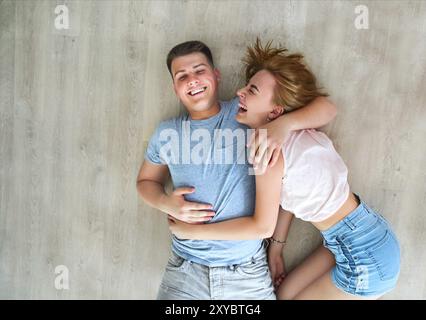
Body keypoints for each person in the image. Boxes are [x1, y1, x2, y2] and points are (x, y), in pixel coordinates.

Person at [169, 39, 400, 299]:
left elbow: (260, 227)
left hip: (362, 257)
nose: (239, 93)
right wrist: (277, 250)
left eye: (252, 90)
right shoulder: (298, 129)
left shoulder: (267, 148)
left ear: (276, 110)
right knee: (285, 293)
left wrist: (193, 232)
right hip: (365, 234)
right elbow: (291, 192)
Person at [136, 40, 337, 299]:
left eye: (199, 70)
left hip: (246, 272)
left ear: (216, 75)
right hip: (186, 270)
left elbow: (327, 109)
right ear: (175, 88)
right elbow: (145, 182)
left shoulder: (244, 113)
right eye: (182, 76)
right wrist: (167, 203)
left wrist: (285, 124)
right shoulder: (167, 133)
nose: (192, 80)